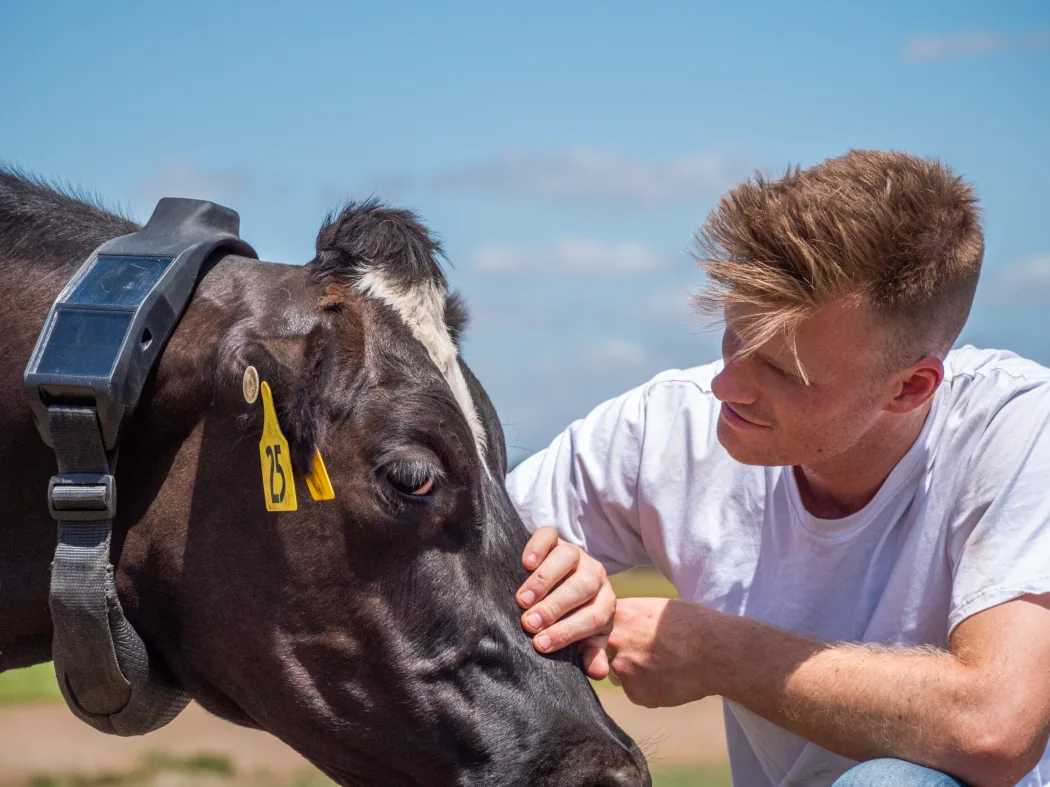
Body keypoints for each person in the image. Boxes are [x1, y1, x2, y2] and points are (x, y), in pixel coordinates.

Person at [506, 150, 1050, 787]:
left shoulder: (1017, 428)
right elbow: (433, 554)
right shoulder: (664, 428)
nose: (726, 386)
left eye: (783, 370)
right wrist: (557, 578)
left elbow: (993, 729)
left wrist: (718, 653)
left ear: (911, 387)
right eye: (734, 337)